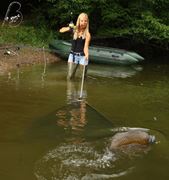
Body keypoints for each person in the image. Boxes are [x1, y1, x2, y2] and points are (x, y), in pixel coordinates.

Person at [59, 12, 91, 79]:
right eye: (82, 21)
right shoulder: (74, 29)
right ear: (79, 21)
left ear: (87, 22)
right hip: (72, 55)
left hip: (82, 56)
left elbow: (85, 47)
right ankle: (70, 89)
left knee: (83, 77)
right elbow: (61, 30)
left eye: (85, 21)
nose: (83, 22)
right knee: (70, 76)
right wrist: (69, 28)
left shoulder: (88, 34)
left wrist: (87, 54)